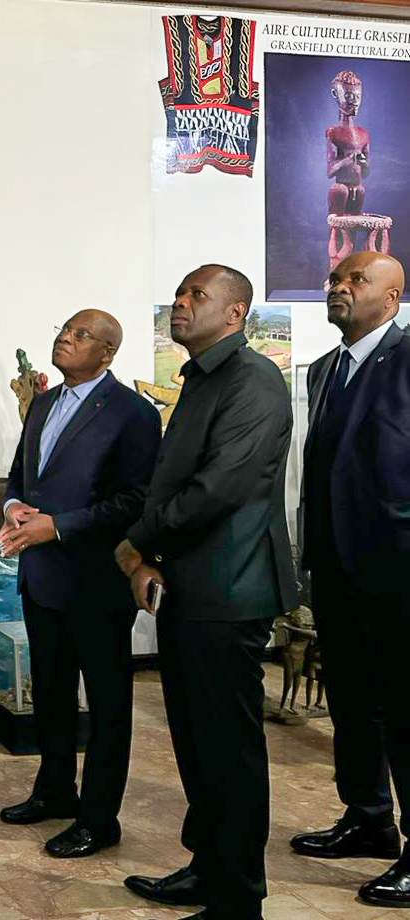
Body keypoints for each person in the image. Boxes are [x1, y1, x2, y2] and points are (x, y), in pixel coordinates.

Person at [115, 264, 295, 920]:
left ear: (235, 313)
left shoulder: (253, 380)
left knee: (226, 749)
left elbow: (214, 489)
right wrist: (149, 551)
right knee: (195, 743)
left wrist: (135, 543)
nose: (181, 304)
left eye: (198, 296)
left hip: (229, 588)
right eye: (180, 294)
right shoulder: (199, 378)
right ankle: (207, 866)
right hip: (190, 586)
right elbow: (176, 483)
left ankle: (237, 897)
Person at [0, 310, 160, 858]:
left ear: (107, 353)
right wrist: (15, 506)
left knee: (108, 704)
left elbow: (134, 501)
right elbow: (23, 475)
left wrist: (57, 527)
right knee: (51, 693)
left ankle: (99, 818)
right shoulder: (41, 404)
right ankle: (54, 792)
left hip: (96, 579)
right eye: (64, 329)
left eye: (81, 335)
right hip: (41, 577)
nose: (65, 337)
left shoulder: (133, 413)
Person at [292, 251, 410, 908]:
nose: (338, 287)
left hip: (397, 571)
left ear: (390, 298)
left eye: (355, 279)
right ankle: (367, 821)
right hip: (333, 568)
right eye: (335, 278)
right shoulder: (322, 370)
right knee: (352, 705)